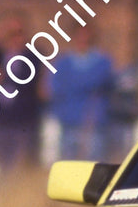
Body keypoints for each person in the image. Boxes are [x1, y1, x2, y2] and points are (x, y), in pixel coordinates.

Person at [0, 13, 42, 171]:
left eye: (18, 33)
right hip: (1, 121)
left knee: (23, 166)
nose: (14, 38)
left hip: (25, 121)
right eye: (10, 34)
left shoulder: (32, 56)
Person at [49, 26, 115, 161]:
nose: (83, 41)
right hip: (69, 124)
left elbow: (102, 81)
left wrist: (75, 84)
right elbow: (54, 87)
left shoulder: (102, 62)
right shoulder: (63, 63)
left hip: (94, 125)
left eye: (87, 38)